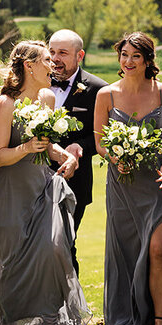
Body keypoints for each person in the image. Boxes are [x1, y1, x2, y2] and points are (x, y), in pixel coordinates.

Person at [0, 41, 88, 325]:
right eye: (45, 59)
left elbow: (48, 143)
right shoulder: (6, 103)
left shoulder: (48, 97)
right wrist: (27, 147)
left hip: (41, 187)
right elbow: (0, 156)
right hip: (9, 191)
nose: (52, 64)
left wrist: (64, 156)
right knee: (13, 260)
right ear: (29, 66)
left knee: (52, 251)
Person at [93, 32, 162, 325]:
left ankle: (160, 321)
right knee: (129, 251)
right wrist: (115, 157)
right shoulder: (106, 94)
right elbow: (99, 142)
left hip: (158, 181)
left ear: (148, 60)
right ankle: (131, 316)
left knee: (160, 249)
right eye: (124, 55)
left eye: (135, 56)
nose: (128, 61)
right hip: (122, 185)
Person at [48, 29, 108, 277]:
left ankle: (71, 309)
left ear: (79, 55)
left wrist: (81, 146)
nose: (55, 59)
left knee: (64, 246)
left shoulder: (98, 89)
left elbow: (103, 136)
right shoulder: (37, 82)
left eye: (62, 53)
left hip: (74, 182)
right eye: (51, 52)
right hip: (31, 178)